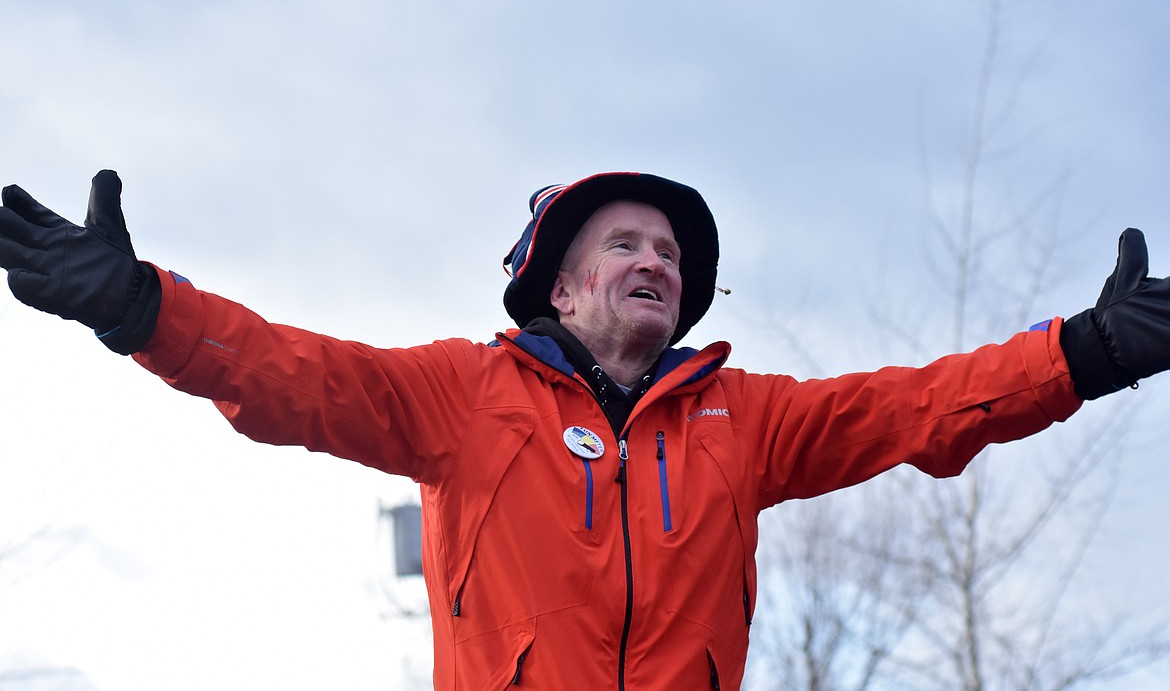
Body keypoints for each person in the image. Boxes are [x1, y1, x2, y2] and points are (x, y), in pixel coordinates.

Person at [1, 170, 1168, 690]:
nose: (656, 259)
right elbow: (294, 374)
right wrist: (142, 305)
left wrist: (1086, 349)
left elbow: (919, 404)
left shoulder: (742, 417)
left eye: (669, 251)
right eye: (626, 244)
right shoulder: (463, 396)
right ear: (559, 288)